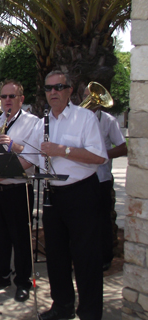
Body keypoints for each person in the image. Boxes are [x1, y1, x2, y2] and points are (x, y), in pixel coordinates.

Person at [0, 70, 107, 320]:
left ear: (70, 90)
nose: (53, 92)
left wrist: (63, 150)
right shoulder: (46, 120)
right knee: (56, 256)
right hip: (52, 194)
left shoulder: (84, 118)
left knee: (85, 257)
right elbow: (29, 159)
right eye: (49, 89)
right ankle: (62, 306)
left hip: (81, 193)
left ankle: (90, 313)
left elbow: (99, 156)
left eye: (59, 87)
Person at [0, 80, 39, 302]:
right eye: (3, 97)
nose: (7, 101)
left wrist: (15, 145)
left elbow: (33, 158)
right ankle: (1, 275)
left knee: (21, 238)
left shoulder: (33, 123)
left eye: (11, 97)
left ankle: (23, 281)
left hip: (18, 188)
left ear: (21, 99)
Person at [82, 85, 127, 271]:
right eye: (85, 96)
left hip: (101, 178)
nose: (87, 99)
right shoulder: (77, 119)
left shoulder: (108, 121)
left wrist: (101, 155)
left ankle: (105, 258)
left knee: (102, 221)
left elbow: (123, 147)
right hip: (81, 179)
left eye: (90, 97)